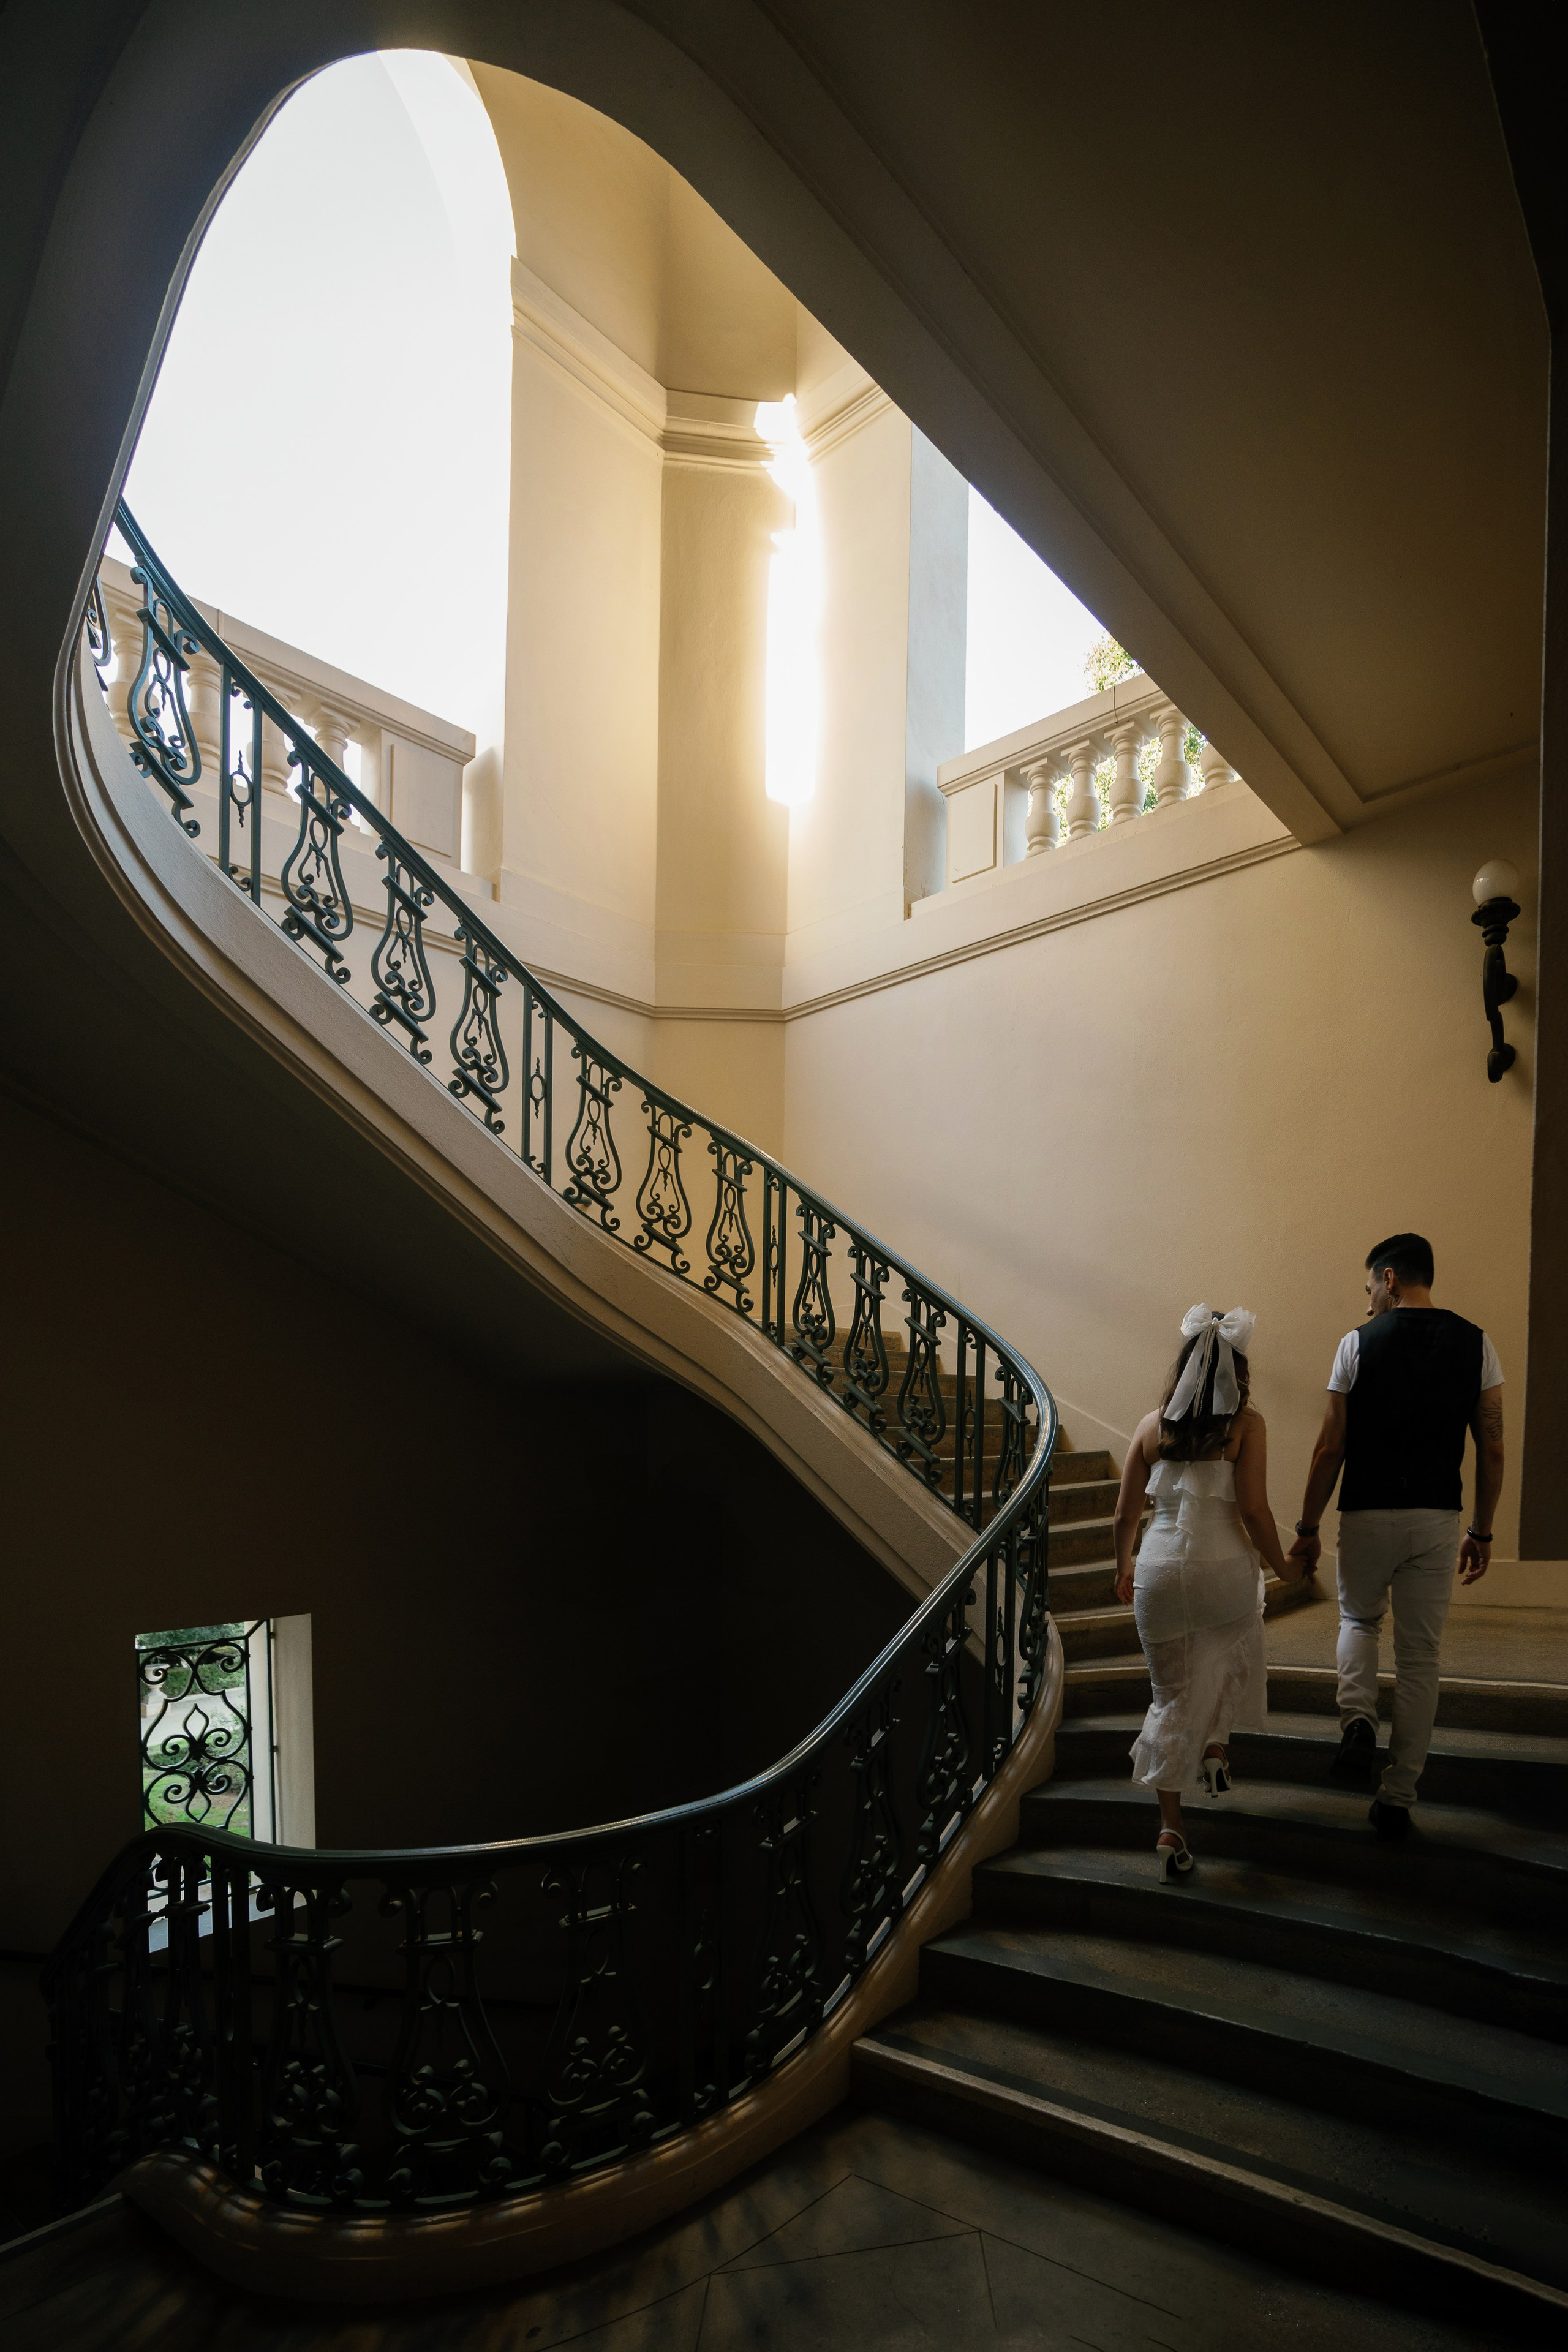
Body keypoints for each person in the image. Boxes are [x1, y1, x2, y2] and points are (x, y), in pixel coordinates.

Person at [1287, 1233, 1504, 1840]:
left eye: (1367, 1290)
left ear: (1388, 1279)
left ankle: (1357, 1721)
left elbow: (1329, 1447)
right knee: (1419, 1660)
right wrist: (1481, 1530)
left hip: (1364, 1513)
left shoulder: (1355, 1344)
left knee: (1357, 1621)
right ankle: (1396, 1799)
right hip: (1436, 1519)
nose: (1365, 1307)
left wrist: (1306, 1528)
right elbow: (1491, 1446)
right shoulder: (1477, 1343)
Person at [1113, 1305, 1307, 1882]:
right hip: (1223, 1570)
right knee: (1235, 1644)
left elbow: (1127, 1510)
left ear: (1185, 1363)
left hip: (1160, 1571)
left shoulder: (1152, 1426)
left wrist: (1121, 1565)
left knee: (1169, 1695)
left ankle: (1171, 1827)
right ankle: (1217, 1746)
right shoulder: (1247, 1425)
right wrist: (1285, 1568)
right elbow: (1253, 1510)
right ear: (1236, 1368)